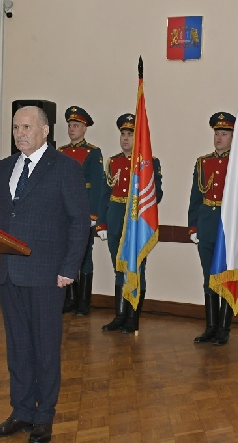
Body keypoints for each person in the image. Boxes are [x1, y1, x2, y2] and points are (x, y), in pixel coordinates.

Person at [0, 106, 90, 443]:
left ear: (45, 130)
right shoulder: (5, 167)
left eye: (27, 127)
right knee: (18, 348)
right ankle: (21, 411)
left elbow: (79, 222)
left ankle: (44, 417)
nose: (20, 133)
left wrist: (68, 268)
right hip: (10, 273)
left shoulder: (65, 168)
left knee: (45, 349)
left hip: (47, 274)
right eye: (16, 127)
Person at [96, 113, 163, 333]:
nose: (125, 138)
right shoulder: (113, 162)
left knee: (136, 269)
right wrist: (102, 224)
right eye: (123, 134)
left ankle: (133, 317)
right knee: (119, 268)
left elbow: (157, 195)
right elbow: (104, 195)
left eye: (130, 134)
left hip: (137, 221)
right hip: (115, 217)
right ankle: (120, 315)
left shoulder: (149, 162)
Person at [188, 112, 237, 346]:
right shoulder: (203, 162)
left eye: (224, 134)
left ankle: (224, 328)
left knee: (225, 277)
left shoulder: (237, 164)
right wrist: (193, 226)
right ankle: (210, 326)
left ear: (232, 137)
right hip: (207, 225)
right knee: (209, 277)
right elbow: (195, 198)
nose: (219, 138)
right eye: (217, 133)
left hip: (227, 228)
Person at [58, 106, 104, 316]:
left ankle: (84, 302)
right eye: (70, 125)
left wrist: (93, 214)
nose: (72, 129)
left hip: (83, 212)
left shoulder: (93, 153)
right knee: (66, 255)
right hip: (64, 213)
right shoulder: (61, 152)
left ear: (84, 129)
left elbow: (98, 186)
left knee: (84, 255)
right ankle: (70, 298)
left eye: (76, 126)